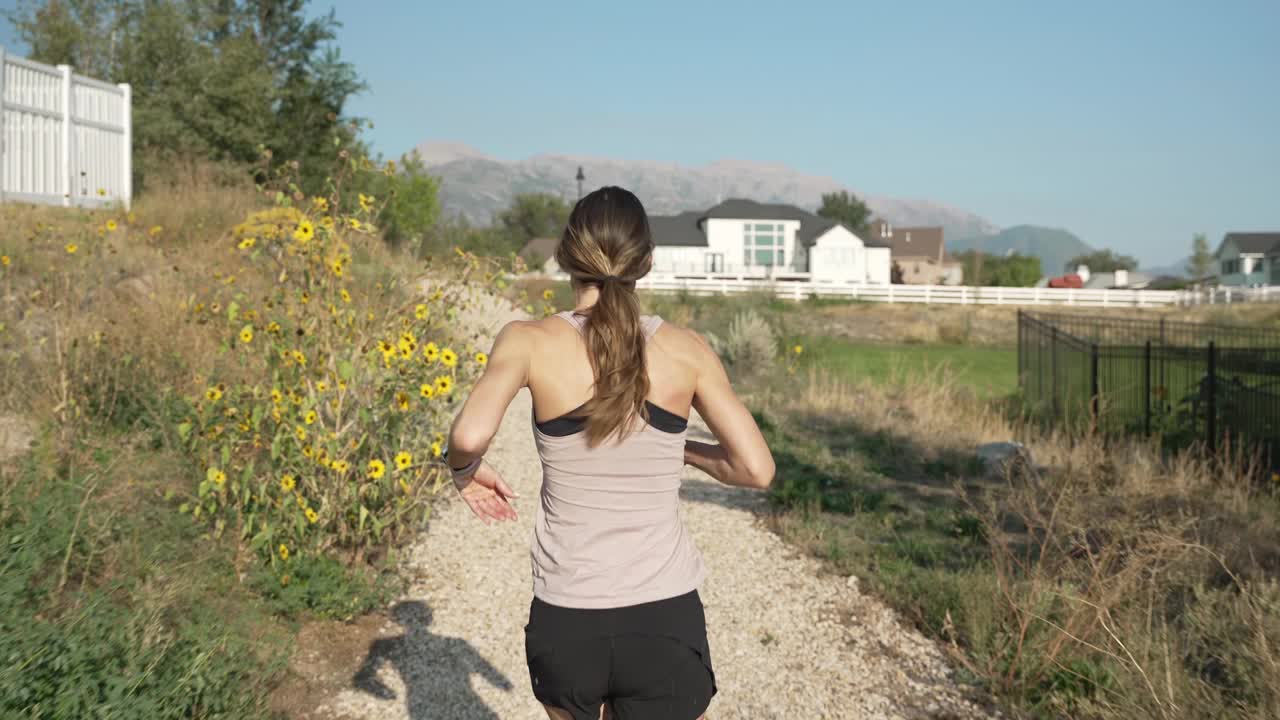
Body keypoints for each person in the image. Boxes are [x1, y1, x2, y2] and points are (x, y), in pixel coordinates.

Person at [445, 186, 775, 720]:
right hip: (665, 619)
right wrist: (677, 448)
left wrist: (464, 471)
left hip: (568, 617)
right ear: (645, 262)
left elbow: (468, 437)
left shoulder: (526, 341)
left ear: (565, 257)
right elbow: (756, 469)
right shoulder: (687, 350)